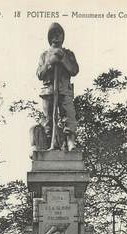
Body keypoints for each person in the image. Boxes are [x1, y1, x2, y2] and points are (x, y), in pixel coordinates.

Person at [36, 22, 79, 151]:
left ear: (62, 36)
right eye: (53, 34)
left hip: (64, 89)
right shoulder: (44, 55)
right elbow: (39, 74)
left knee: (69, 116)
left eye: (58, 33)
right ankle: (51, 142)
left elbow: (74, 70)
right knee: (48, 119)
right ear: (49, 37)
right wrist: (50, 62)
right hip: (48, 91)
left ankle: (70, 141)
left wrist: (63, 60)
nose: (56, 36)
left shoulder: (68, 53)